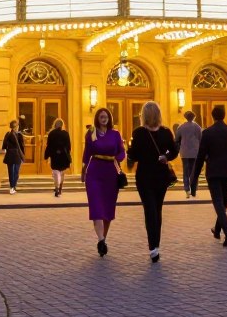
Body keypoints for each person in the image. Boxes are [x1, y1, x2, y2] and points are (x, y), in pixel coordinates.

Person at [126, 100, 177, 262]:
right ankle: (156, 245)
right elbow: (174, 151)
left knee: (150, 210)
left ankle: (153, 247)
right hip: (161, 175)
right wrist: (166, 157)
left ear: (144, 115)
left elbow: (133, 155)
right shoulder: (166, 132)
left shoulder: (139, 133)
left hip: (145, 176)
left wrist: (128, 149)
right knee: (157, 209)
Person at [81, 107, 125, 256]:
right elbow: (87, 153)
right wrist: (83, 169)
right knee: (96, 207)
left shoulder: (115, 134)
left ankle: (103, 240)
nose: (104, 118)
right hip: (94, 173)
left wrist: (116, 159)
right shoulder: (91, 133)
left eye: (106, 116)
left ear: (109, 118)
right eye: (101, 117)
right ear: (97, 118)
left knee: (107, 208)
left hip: (110, 173)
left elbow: (122, 152)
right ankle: (100, 239)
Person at [195, 104, 227, 247]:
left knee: (219, 203)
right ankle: (217, 230)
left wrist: (194, 176)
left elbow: (201, 156)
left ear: (213, 116)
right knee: (223, 203)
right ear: (224, 115)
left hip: (214, 172)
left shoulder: (207, 133)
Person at [175, 110, 203, 198]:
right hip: (195, 152)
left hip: (185, 152)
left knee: (185, 172)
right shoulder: (197, 127)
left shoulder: (181, 127)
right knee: (194, 171)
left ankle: (187, 189)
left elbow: (176, 139)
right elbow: (201, 138)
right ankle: (194, 189)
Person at [44, 118, 71, 197]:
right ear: (62, 125)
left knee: (56, 173)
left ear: (55, 125)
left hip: (55, 155)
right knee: (62, 173)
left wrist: (47, 155)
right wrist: (67, 154)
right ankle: (60, 189)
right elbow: (68, 146)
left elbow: (49, 145)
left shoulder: (51, 133)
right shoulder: (65, 134)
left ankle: (56, 187)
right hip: (63, 156)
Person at [2, 119, 25, 195]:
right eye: (17, 126)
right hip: (16, 154)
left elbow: (4, 145)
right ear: (16, 127)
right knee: (15, 172)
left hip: (10, 154)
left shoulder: (8, 134)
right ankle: (13, 186)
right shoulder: (18, 135)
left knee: (11, 172)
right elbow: (22, 146)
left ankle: (12, 187)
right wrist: (22, 155)